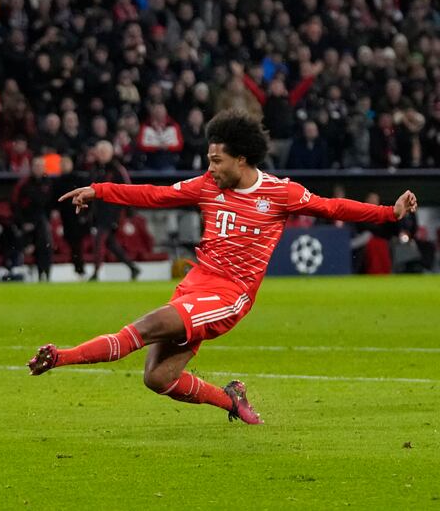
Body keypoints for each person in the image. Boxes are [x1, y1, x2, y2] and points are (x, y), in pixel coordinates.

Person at [29, 110, 417, 425]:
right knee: (157, 378)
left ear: (241, 159)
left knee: (142, 329)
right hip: (195, 286)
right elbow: (156, 195)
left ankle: (61, 357)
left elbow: (334, 207)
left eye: (217, 160)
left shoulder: (281, 193)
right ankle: (232, 401)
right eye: (209, 159)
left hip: (230, 295)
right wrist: (101, 190)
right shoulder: (206, 186)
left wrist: (390, 212)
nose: (210, 167)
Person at [89, 141, 140, 281]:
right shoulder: (95, 169)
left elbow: (128, 189)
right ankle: (132, 267)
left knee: (99, 240)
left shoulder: (116, 169)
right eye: (100, 152)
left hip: (112, 212)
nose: (102, 154)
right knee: (110, 244)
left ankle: (96, 272)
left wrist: (129, 213)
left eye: (104, 152)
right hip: (100, 212)